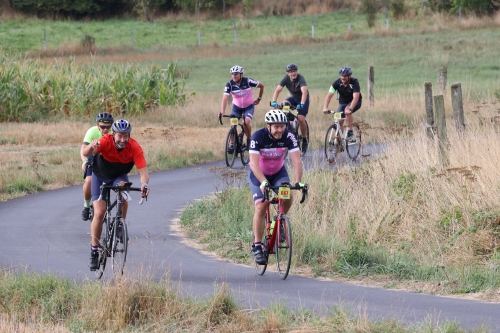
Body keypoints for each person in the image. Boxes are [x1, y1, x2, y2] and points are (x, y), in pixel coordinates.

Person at [82, 119, 150, 270]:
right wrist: (91, 147)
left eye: (126, 136)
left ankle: (120, 223)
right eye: (120, 136)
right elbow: (85, 153)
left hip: (119, 176)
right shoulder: (105, 141)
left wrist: (144, 184)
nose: (123, 140)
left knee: (123, 191)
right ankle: (94, 251)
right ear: (113, 134)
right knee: (99, 213)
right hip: (100, 176)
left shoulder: (134, 147)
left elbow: (143, 172)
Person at [248, 109, 304, 265]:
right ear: (269, 126)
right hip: (258, 175)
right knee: (261, 206)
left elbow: (297, 161)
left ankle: (279, 221)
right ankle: (257, 246)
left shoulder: (289, 136)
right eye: (277, 126)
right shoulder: (258, 137)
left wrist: (298, 181)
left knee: (287, 195)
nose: (280, 130)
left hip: (279, 173)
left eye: (282, 126)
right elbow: (253, 163)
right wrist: (264, 182)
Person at [219, 65, 264, 152]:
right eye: (232, 74)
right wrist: (222, 111)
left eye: (236, 74)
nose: (234, 76)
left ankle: (249, 139)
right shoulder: (229, 84)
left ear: (241, 74)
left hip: (249, 107)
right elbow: (224, 99)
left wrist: (259, 99)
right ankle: (232, 144)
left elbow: (262, 86)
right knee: (232, 125)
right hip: (237, 108)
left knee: (245, 123)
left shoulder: (248, 81)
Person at [80, 112, 114, 221]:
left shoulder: (115, 132)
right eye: (103, 127)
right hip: (93, 157)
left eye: (108, 127)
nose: (105, 129)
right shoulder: (92, 131)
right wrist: (85, 162)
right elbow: (84, 149)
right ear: (97, 125)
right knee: (89, 181)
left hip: (108, 159)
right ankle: (86, 205)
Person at [271, 63, 310, 154]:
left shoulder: (301, 78)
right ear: (288, 73)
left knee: (300, 118)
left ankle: (304, 139)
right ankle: (289, 122)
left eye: (294, 71)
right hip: (292, 98)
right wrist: (274, 101)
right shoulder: (285, 79)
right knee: (284, 104)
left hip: (303, 99)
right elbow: (277, 90)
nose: (293, 73)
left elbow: (304, 92)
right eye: (291, 72)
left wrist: (302, 104)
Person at [322, 66, 362, 143]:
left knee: (347, 111)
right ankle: (339, 142)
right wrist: (325, 107)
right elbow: (328, 96)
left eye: (345, 76)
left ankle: (350, 133)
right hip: (343, 102)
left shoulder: (354, 82)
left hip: (355, 101)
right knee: (339, 120)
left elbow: (356, 98)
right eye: (342, 76)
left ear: (350, 76)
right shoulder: (336, 83)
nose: (343, 78)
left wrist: (350, 109)